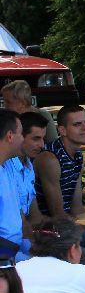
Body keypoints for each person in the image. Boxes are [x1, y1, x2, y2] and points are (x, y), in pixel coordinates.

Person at [33, 105, 85, 267]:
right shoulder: (50, 159)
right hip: (49, 232)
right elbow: (58, 215)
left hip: (66, 226)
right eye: (77, 124)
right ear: (62, 130)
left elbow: (77, 209)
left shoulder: (78, 157)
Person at [0, 109, 27, 260]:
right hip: (5, 257)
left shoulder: (7, 167)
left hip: (17, 247)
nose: (23, 139)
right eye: (21, 134)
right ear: (10, 136)